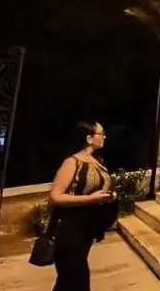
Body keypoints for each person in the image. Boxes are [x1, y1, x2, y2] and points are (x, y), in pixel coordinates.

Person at [47, 120, 117, 291]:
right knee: (77, 279)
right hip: (70, 229)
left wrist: (110, 196)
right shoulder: (72, 162)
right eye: (101, 134)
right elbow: (55, 196)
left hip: (87, 230)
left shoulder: (97, 160)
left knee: (67, 282)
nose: (105, 137)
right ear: (89, 138)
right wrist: (89, 200)